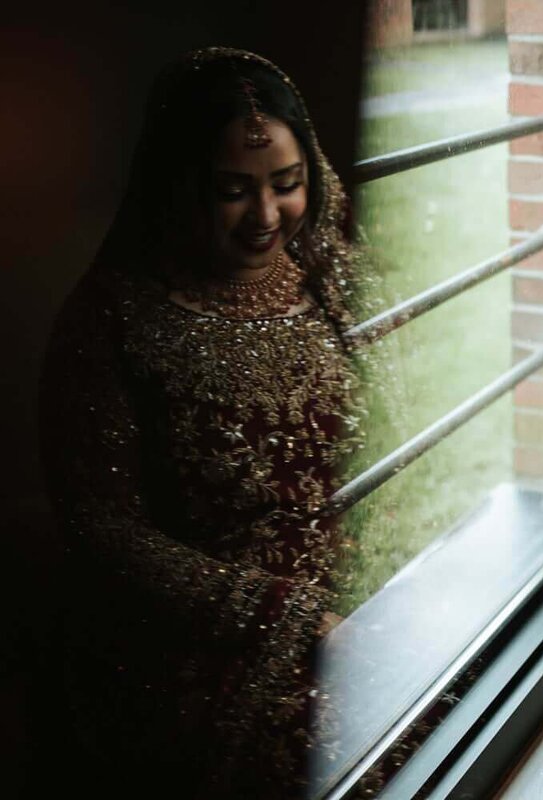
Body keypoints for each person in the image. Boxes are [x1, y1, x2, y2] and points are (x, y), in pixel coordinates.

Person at [40, 47, 379, 798]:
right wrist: (282, 615)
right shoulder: (112, 320)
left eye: (287, 186)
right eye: (232, 191)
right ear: (179, 186)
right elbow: (103, 529)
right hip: (204, 633)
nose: (267, 217)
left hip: (360, 587)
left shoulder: (331, 276)